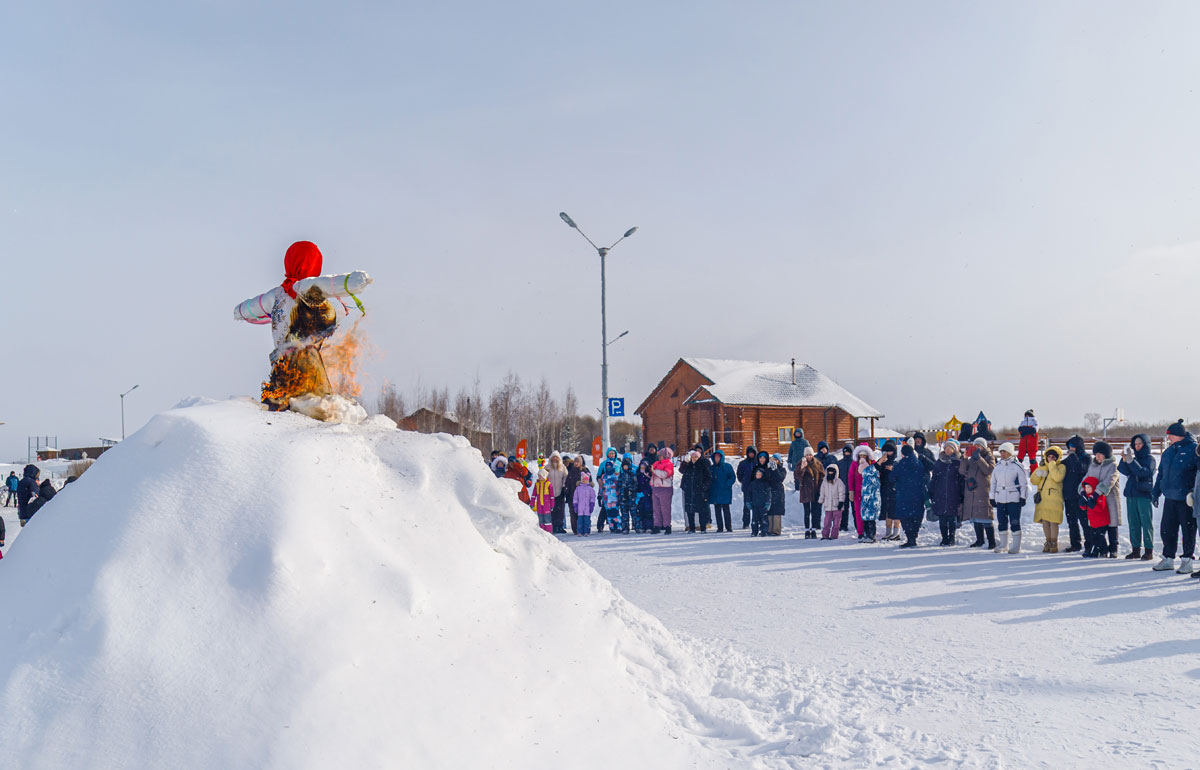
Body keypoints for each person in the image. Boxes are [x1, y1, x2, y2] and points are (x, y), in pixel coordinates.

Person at [1153, 420, 1198, 573]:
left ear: (1179, 435)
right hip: (1170, 497)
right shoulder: (1168, 452)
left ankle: (1187, 560)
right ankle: (1168, 558)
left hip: (1186, 498)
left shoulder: (1193, 450)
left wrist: (1193, 492)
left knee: (1188, 530)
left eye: (1170, 435)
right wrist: (1156, 492)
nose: (1168, 438)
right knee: (1167, 529)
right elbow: (1161, 474)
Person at [1117, 434, 1156, 560]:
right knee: (1133, 522)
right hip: (1131, 494)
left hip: (1143, 495)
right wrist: (1124, 460)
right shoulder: (1133, 459)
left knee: (1146, 522)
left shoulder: (1150, 459)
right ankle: (1135, 549)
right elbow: (1124, 470)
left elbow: (1143, 472)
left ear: (1146, 445)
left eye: (1140, 444)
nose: (1137, 446)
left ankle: (1148, 550)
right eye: (1135, 444)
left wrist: (1130, 461)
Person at [1082, 441, 1121, 559]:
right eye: (1096, 454)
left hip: (1109, 498)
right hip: (1096, 500)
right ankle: (1102, 548)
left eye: (1100, 454)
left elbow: (1109, 481)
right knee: (1098, 524)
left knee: (1111, 524)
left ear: (1106, 455)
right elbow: (1086, 479)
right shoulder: (1093, 466)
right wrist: (1083, 490)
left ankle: (1113, 548)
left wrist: (1096, 493)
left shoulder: (1113, 466)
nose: (1097, 456)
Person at [989, 442, 1028, 554]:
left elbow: (1023, 483)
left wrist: (1023, 497)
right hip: (1000, 498)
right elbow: (993, 483)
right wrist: (992, 498)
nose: (1002, 454)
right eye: (1001, 451)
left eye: (1004, 451)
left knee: (1014, 522)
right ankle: (1003, 545)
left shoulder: (1017, 466)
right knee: (1002, 522)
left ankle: (1016, 546)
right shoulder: (997, 467)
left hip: (1013, 498)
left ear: (1010, 452)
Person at [961, 438, 996, 549]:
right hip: (972, 491)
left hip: (983, 490)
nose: (977, 448)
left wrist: (979, 458)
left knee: (985, 516)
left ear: (984, 447)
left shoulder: (989, 457)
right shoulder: (971, 459)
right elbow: (962, 471)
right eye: (975, 445)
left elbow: (988, 470)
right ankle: (979, 540)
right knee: (976, 516)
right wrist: (965, 459)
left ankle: (992, 541)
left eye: (979, 446)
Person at [1031, 446, 1066, 553]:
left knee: (1053, 521)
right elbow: (1033, 481)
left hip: (1055, 498)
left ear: (1057, 458)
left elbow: (1057, 477)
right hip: (1043, 498)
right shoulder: (1043, 467)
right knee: (1045, 521)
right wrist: (1039, 472)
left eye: (1053, 457)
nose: (1051, 458)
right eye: (1049, 456)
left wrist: (1052, 465)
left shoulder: (1061, 467)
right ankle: (1048, 542)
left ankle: (1054, 543)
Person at [930, 439, 965, 546]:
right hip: (940, 493)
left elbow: (961, 480)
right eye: (946, 448)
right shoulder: (939, 462)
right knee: (942, 518)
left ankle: (952, 538)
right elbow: (934, 478)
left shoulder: (958, 462)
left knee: (952, 518)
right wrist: (931, 491)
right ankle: (944, 538)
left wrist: (962, 495)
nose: (948, 450)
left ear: (954, 450)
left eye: (950, 448)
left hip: (953, 493)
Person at [893, 445, 927, 548]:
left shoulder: (900, 464)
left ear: (903, 453)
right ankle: (914, 536)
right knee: (916, 515)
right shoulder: (919, 463)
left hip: (903, 495)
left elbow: (892, 477)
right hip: (918, 494)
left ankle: (910, 538)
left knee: (905, 516)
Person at [1061, 435, 1091, 553]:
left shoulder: (1086, 458)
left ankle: (1089, 544)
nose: (1071, 449)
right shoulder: (1070, 458)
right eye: (1069, 447)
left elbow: (1079, 468)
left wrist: (1073, 456)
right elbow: (1061, 465)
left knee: (1084, 521)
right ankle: (1075, 543)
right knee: (1071, 521)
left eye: (1073, 447)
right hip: (1069, 495)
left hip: (1080, 495)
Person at [796, 447, 823, 539]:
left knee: (814, 512)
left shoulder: (817, 463)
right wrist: (802, 468)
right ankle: (807, 530)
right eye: (807, 455)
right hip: (805, 491)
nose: (808, 456)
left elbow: (822, 476)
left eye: (810, 454)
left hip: (815, 491)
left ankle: (814, 529)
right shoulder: (801, 463)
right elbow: (797, 476)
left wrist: (820, 489)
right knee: (806, 512)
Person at [1078, 477, 1109, 558]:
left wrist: (1093, 505)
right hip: (1093, 521)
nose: (1087, 489)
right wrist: (1082, 504)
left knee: (1099, 537)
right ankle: (1103, 551)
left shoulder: (1099, 496)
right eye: (1086, 488)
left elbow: (1100, 509)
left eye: (1089, 487)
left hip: (1102, 521)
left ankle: (1096, 550)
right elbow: (1084, 508)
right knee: (1094, 536)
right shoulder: (1087, 496)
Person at [856, 447, 881, 542]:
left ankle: (871, 536)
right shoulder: (873, 476)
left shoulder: (867, 479)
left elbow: (867, 492)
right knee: (869, 520)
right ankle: (869, 536)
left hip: (869, 502)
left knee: (869, 520)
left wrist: (864, 503)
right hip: (873, 502)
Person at [709, 450, 736, 533]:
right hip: (715, 492)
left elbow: (732, 477)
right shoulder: (711, 468)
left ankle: (728, 527)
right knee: (717, 511)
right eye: (715, 457)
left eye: (718, 457)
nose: (717, 459)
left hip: (725, 492)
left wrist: (727, 484)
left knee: (726, 510)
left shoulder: (727, 467)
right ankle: (720, 527)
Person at [650, 448, 675, 534]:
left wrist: (654, 471)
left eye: (661, 455)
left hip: (665, 488)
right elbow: (653, 474)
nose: (659, 457)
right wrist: (648, 471)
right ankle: (657, 525)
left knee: (665, 509)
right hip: (655, 488)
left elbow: (665, 474)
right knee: (656, 509)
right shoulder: (656, 463)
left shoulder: (669, 464)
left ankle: (667, 526)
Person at [818, 464, 846, 540]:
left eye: (832, 471)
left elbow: (842, 492)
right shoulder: (824, 481)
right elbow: (822, 492)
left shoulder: (839, 482)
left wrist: (841, 502)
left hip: (837, 505)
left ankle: (834, 535)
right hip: (828, 505)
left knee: (836, 523)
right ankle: (825, 535)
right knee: (827, 522)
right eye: (829, 471)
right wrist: (821, 500)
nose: (830, 473)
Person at [878, 442, 899, 541]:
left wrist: (893, 469)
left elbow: (901, 474)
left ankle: (896, 531)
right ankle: (888, 530)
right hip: (884, 488)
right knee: (886, 510)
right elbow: (875, 469)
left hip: (895, 489)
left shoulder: (897, 462)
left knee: (895, 510)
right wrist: (881, 461)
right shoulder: (882, 461)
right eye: (886, 451)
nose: (888, 453)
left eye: (890, 451)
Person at [547, 452, 569, 534]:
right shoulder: (547, 467)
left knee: (560, 510)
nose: (555, 459)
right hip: (550, 492)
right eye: (553, 457)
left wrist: (564, 486)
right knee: (552, 510)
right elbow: (544, 478)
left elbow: (565, 477)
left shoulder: (562, 467)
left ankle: (560, 526)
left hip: (560, 491)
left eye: (556, 457)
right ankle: (553, 526)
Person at [746, 466, 771, 538]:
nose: (758, 475)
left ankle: (764, 531)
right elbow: (748, 494)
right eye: (757, 474)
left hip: (763, 505)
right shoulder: (752, 484)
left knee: (764, 519)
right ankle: (754, 531)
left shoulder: (766, 484)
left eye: (760, 474)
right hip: (754, 504)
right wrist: (748, 502)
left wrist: (768, 503)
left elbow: (768, 494)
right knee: (754, 520)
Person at [616, 454, 639, 534]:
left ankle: (637, 527)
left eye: (627, 466)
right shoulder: (621, 475)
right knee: (624, 514)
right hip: (623, 498)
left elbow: (636, 485)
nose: (625, 467)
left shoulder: (632, 475)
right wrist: (619, 493)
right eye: (624, 466)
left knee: (634, 513)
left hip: (631, 497)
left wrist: (631, 490)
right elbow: (618, 485)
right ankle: (625, 527)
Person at [737, 446, 758, 530]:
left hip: (757, 488)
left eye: (752, 453)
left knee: (757, 506)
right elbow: (739, 474)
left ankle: (756, 521)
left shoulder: (758, 462)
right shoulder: (743, 463)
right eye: (749, 453)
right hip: (747, 488)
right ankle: (746, 523)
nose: (751, 454)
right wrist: (744, 480)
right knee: (747, 506)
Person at [598, 458, 620, 532]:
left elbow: (619, 486)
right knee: (609, 513)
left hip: (614, 498)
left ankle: (618, 526)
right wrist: (600, 495)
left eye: (610, 466)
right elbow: (601, 487)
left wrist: (619, 495)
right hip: (606, 498)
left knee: (615, 512)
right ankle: (612, 527)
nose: (608, 467)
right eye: (607, 466)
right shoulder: (603, 476)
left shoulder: (616, 475)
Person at [767, 453, 787, 536]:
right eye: (773, 459)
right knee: (769, 510)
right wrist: (769, 469)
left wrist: (775, 469)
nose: (774, 461)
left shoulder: (782, 469)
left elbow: (780, 478)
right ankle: (769, 529)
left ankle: (776, 530)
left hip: (778, 491)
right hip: (769, 491)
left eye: (776, 459)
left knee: (777, 511)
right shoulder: (768, 468)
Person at [837, 445, 855, 532]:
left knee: (855, 509)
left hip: (853, 490)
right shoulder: (840, 463)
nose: (847, 453)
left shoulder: (855, 462)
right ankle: (843, 525)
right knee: (844, 509)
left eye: (849, 452)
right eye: (845, 452)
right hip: (843, 490)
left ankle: (857, 525)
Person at [573, 471, 596, 536]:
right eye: (583, 479)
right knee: (580, 521)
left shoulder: (590, 489)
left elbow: (592, 497)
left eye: (585, 479)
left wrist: (592, 504)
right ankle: (579, 531)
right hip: (580, 508)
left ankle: (587, 531)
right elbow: (575, 497)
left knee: (587, 521)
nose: (584, 481)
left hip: (587, 508)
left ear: (588, 480)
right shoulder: (578, 488)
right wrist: (575, 505)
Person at [635, 458, 655, 533]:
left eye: (644, 466)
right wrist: (637, 492)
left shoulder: (648, 475)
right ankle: (642, 526)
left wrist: (645, 492)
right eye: (641, 466)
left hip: (647, 496)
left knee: (648, 511)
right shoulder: (638, 475)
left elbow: (650, 485)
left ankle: (649, 526)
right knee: (640, 512)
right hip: (640, 497)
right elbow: (636, 484)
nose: (642, 467)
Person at [565, 456, 583, 534]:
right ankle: (575, 529)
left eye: (578, 462)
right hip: (572, 496)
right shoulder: (571, 472)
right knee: (573, 513)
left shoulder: (583, 471)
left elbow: (589, 482)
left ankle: (582, 528)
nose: (576, 463)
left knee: (581, 512)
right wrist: (566, 491)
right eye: (575, 462)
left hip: (581, 496)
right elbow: (567, 483)